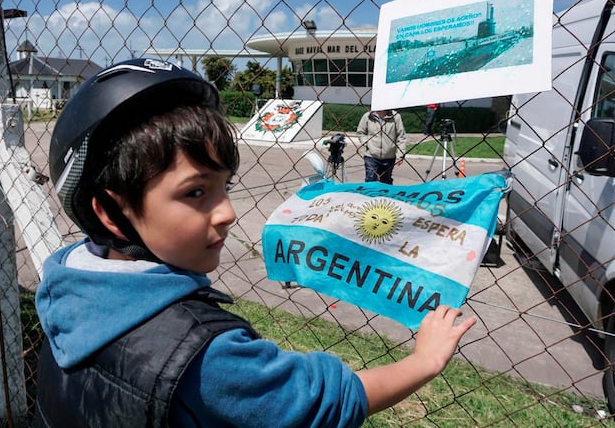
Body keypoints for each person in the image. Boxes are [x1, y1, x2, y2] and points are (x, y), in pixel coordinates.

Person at [34, 57, 476, 427]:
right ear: (109, 212)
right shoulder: (204, 356)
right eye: (195, 192)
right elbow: (313, 402)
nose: (228, 212)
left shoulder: (67, 281)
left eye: (226, 186)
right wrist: (424, 362)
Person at [357, 109, 408, 184]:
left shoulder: (396, 117)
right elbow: (360, 132)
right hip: (371, 156)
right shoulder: (368, 116)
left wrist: (400, 154)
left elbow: (401, 136)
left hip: (389, 157)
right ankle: (371, 196)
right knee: (370, 180)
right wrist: (368, 143)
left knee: (386, 182)